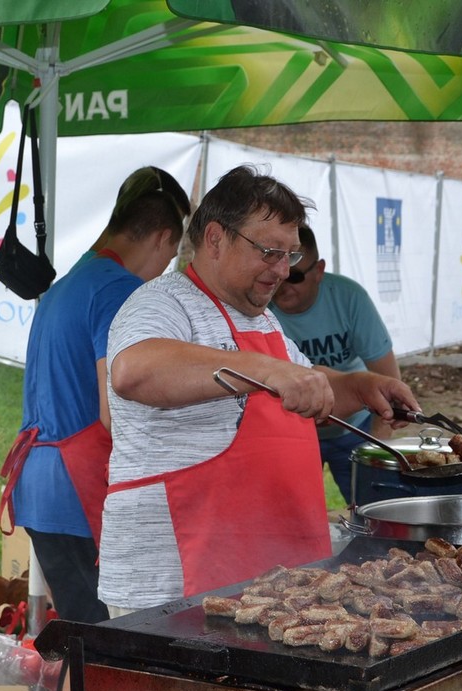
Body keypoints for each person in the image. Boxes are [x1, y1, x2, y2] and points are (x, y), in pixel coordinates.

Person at [98, 165, 419, 616]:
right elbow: (133, 371)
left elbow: (306, 388)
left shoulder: (262, 319)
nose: (284, 271)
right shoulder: (161, 303)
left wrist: (361, 387)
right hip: (173, 582)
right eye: (270, 252)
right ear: (214, 239)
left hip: (261, 577)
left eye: (289, 255)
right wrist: (265, 371)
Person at [0, 167, 190, 625]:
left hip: (41, 490)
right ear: (163, 238)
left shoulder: (69, 283)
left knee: (85, 639)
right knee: (107, 644)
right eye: (172, 256)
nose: (164, 270)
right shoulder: (118, 290)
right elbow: (117, 411)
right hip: (75, 491)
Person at [270, 224, 401, 505]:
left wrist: (375, 448)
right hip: (292, 430)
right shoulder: (259, 308)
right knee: (292, 518)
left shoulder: (349, 298)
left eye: (294, 275)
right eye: (277, 271)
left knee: (373, 513)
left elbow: (388, 379)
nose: (282, 283)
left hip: (356, 427)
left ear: (318, 271)